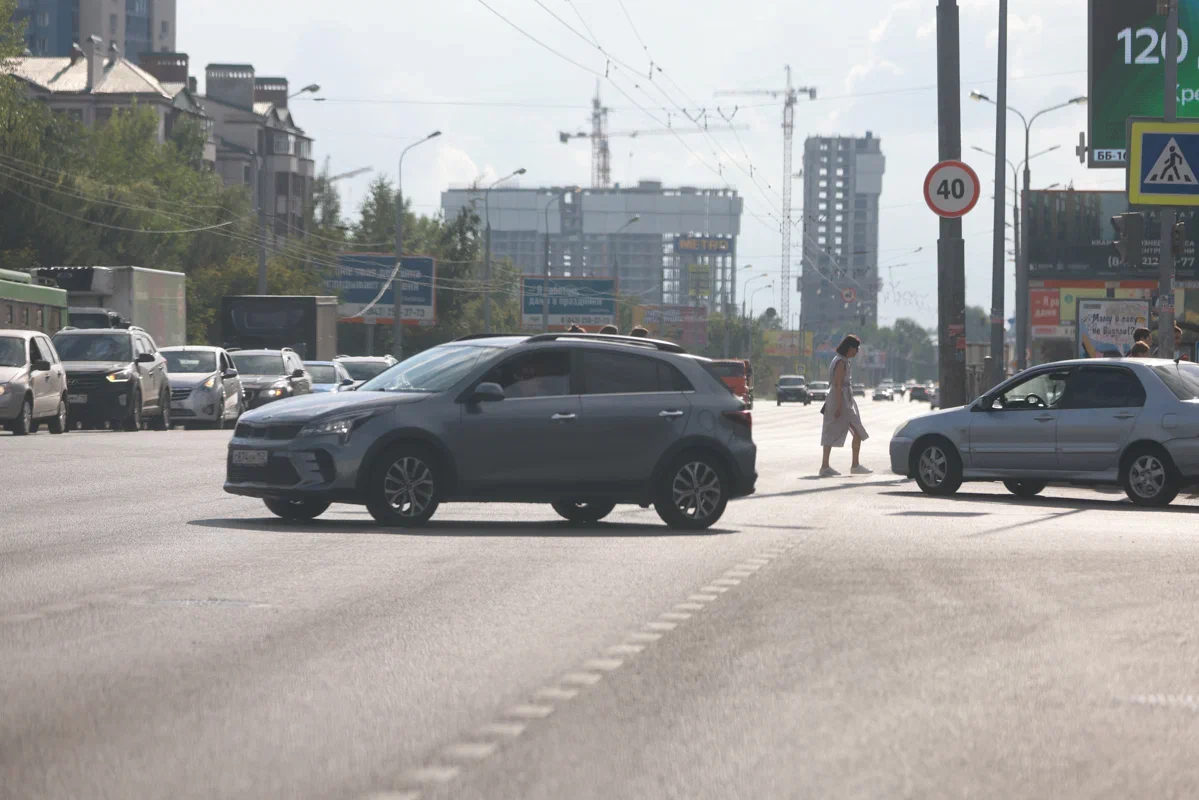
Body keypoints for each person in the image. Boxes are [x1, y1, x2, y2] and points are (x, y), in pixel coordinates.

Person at [820, 334, 871, 477]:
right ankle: (826, 467)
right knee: (834, 431)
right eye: (856, 348)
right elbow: (837, 384)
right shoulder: (840, 362)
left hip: (843, 400)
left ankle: (853, 464)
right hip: (839, 401)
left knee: (855, 431)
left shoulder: (842, 360)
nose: (857, 351)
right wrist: (838, 406)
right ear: (850, 348)